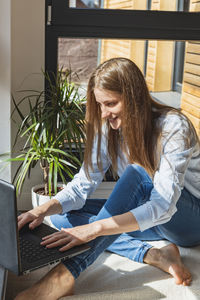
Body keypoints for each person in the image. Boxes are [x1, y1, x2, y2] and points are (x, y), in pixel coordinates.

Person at [15, 57, 200, 300]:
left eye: (110, 103)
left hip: (188, 221)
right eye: (100, 105)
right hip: (150, 222)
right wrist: (42, 210)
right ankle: (152, 254)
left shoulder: (174, 127)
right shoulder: (109, 128)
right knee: (61, 217)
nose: (103, 114)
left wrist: (94, 228)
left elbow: (163, 206)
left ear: (134, 98)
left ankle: (64, 275)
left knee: (139, 173)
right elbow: (83, 185)